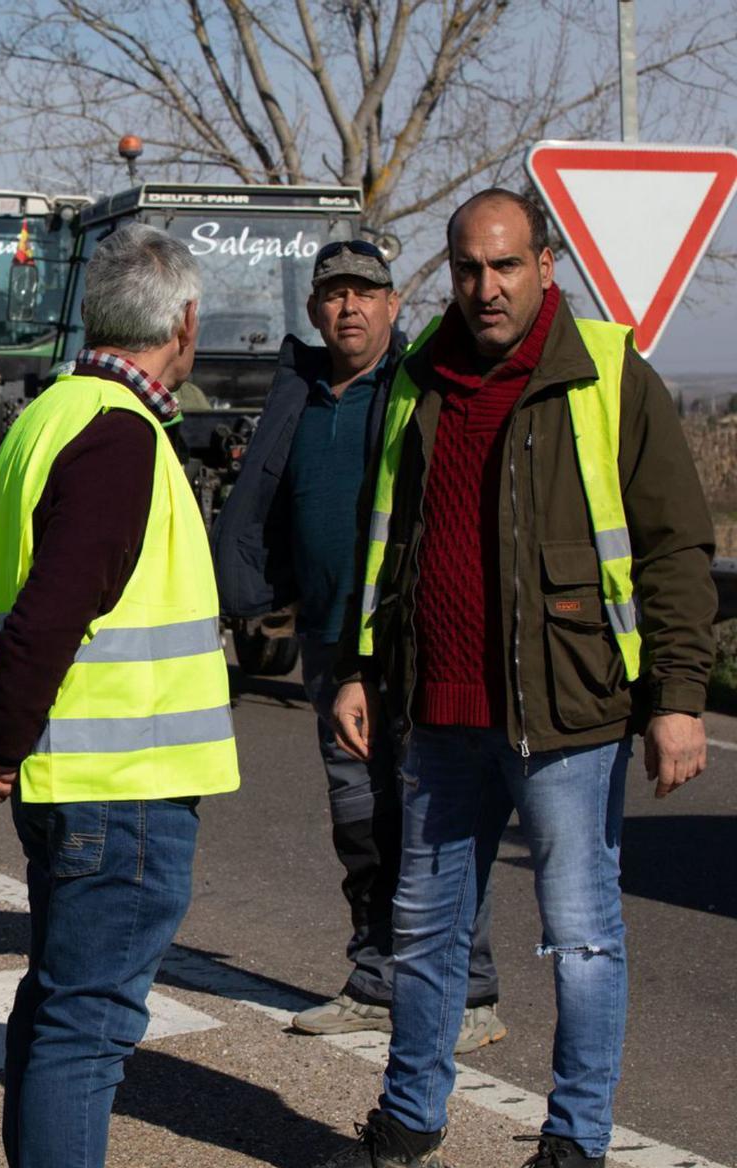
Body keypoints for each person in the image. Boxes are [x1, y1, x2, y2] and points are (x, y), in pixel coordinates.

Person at [277, 188, 715, 1168]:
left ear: (546, 263)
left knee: (584, 940)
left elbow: (677, 548)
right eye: (469, 268)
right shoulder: (421, 375)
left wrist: (679, 696)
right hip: (439, 716)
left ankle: (574, 1157)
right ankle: (406, 1146)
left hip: (568, 715)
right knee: (424, 938)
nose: (487, 287)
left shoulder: (606, 375)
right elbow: (382, 538)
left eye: (507, 265)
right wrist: (357, 666)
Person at [0, 222, 239, 1168]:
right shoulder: (123, 436)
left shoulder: (46, 417)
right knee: (86, 1031)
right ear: (184, 325)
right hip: (127, 791)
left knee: (58, 1012)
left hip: (73, 782)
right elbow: (53, 606)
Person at [213, 240, 505, 1052]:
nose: (349, 307)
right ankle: (377, 980)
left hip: (418, 642)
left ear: (391, 305)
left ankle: (470, 992)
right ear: (314, 311)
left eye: (365, 293)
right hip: (329, 642)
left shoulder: (421, 389)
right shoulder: (298, 394)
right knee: (361, 821)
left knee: (437, 819)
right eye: (334, 294)